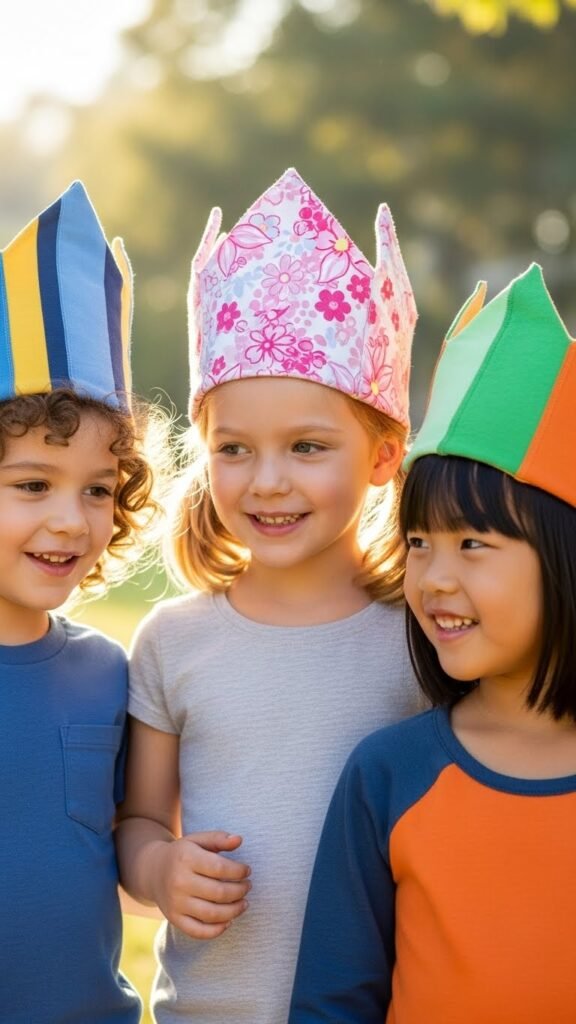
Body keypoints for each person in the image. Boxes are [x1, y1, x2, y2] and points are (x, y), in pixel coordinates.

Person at [115, 167, 423, 1024]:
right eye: (235, 448)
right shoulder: (173, 642)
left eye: (308, 446)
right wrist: (160, 872)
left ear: (384, 455)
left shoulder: (421, 640)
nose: (268, 481)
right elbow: (140, 822)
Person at [288, 263, 576, 1024]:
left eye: (474, 543)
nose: (433, 578)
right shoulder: (388, 775)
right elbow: (331, 1002)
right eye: (418, 541)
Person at [0, 181, 162, 1023]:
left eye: (100, 489)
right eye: (32, 484)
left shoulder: (107, 672)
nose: (73, 520)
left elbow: (128, 854)